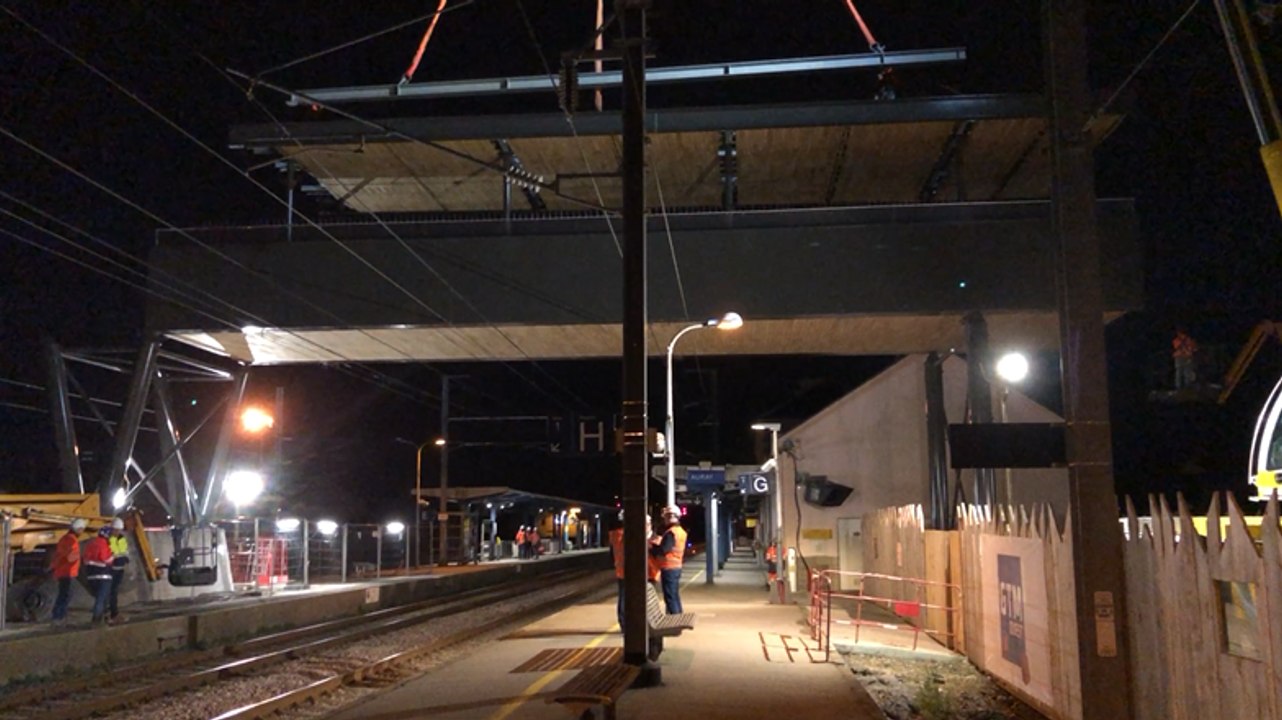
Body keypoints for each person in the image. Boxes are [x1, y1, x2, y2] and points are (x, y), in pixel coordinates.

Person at [649, 505, 687, 614]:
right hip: (676, 567)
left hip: (669, 568)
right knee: (674, 595)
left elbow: (664, 550)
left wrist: (651, 547)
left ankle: (675, 620)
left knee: (670, 596)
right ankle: (678, 618)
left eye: (666, 517)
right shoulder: (680, 531)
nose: (664, 520)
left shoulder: (671, 532)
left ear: (670, 517)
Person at [50, 518, 86, 625]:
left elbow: (59, 555)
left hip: (61, 571)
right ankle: (58, 616)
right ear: (78, 529)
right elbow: (71, 557)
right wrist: (80, 556)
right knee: (66, 595)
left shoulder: (63, 539)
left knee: (64, 594)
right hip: (68, 572)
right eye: (81, 530)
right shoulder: (72, 540)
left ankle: (59, 616)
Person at [83, 526, 115, 624]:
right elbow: (106, 559)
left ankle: (106, 619)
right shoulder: (104, 544)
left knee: (102, 598)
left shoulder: (90, 543)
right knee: (101, 599)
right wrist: (114, 556)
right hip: (104, 576)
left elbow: (85, 560)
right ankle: (96, 621)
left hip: (91, 576)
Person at [107, 517, 131, 624]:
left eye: (119, 530)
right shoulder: (108, 539)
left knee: (114, 592)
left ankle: (113, 613)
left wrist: (124, 558)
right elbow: (113, 553)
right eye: (116, 530)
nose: (117, 532)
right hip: (110, 569)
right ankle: (111, 614)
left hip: (119, 569)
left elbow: (124, 552)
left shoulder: (121, 539)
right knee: (111, 592)